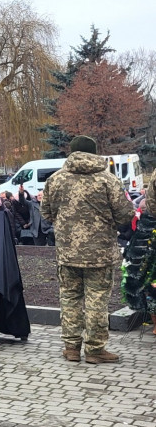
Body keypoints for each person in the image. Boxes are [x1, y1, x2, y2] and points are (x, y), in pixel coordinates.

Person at [42, 135, 135, 364]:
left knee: (70, 298)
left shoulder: (56, 180)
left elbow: (46, 213)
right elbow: (125, 214)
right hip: (100, 254)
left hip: (67, 252)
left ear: (72, 152)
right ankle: (95, 350)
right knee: (97, 301)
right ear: (94, 152)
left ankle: (71, 348)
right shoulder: (108, 180)